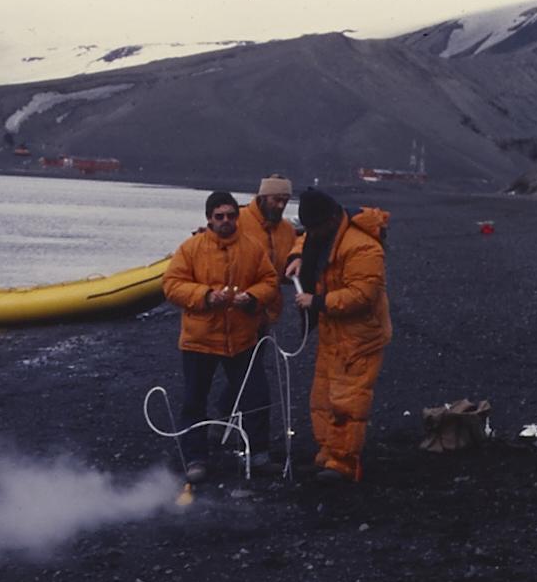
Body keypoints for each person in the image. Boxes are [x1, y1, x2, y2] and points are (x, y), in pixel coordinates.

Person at [163, 192, 279, 482]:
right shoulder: (190, 248)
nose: (226, 221)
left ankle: (259, 455)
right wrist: (205, 296)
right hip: (199, 339)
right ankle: (195, 459)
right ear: (209, 219)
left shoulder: (252, 248)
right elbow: (172, 284)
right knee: (194, 401)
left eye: (231, 215)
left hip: (241, 338)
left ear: (237, 217)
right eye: (219, 216)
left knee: (257, 396)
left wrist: (252, 297)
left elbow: (270, 281)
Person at [284, 189, 391, 483]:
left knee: (348, 400)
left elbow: (363, 295)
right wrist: (296, 256)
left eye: (316, 227)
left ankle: (343, 463)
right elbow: (306, 239)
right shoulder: (325, 232)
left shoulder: (362, 247)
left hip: (360, 337)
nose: (312, 233)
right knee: (322, 397)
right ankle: (327, 453)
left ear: (331, 219)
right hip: (333, 332)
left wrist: (317, 302)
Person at [238, 174, 297, 328]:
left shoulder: (288, 230)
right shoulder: (237, 220)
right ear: (263, 197)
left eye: (285, 201)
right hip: (238, 306)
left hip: (269, 309)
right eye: (276, 200)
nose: (281, 206)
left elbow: (285, 270)